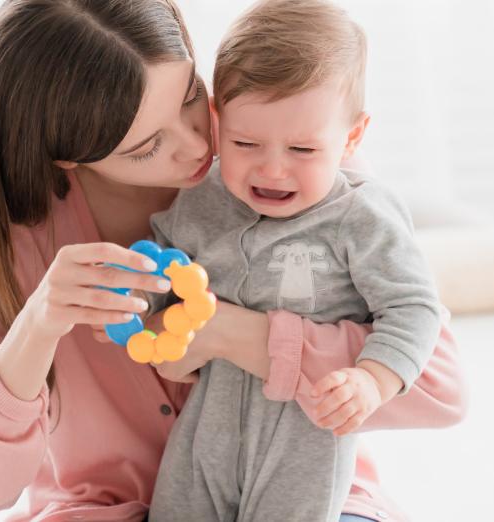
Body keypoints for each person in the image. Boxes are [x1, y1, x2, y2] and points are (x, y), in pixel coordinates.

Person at [0, 1, 466, 521]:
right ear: (66, 154)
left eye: (192, 97)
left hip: (306, 501)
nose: (199, 146)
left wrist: (232, 335)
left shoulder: (283, 148)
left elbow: (439, 387)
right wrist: (37, 328)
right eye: (147, 145)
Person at [146, 1, 445, 520]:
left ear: (351, 137)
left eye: (303, 150)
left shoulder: (361, 215)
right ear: (217, 121)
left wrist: (372, 379)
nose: (272, 169)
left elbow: (415, 309)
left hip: (305, 440)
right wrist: (137, 296)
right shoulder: (201, 198)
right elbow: (163, 266)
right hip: (206, 428)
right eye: (245, 143)